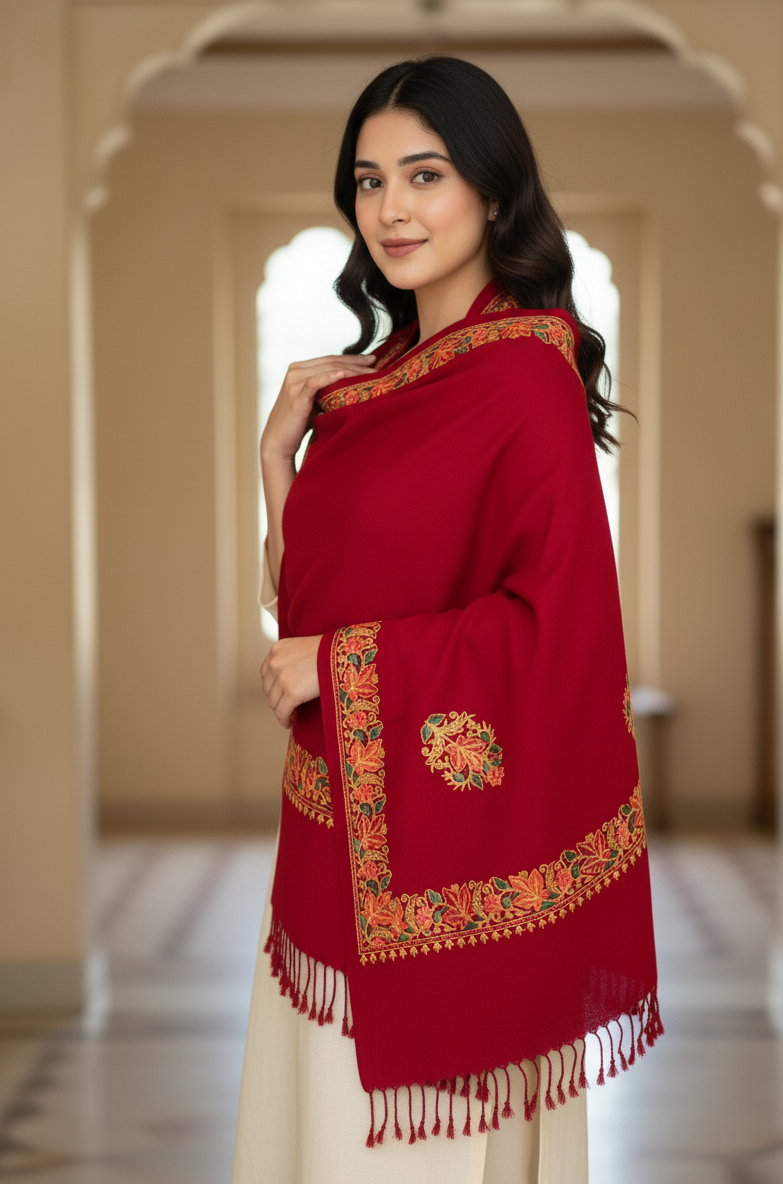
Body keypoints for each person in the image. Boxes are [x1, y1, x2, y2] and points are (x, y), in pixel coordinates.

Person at [231, 56, 661, 1184]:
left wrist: (339, 660)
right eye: (369, 181)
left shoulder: (525, 379)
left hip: (449, 871)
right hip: (336, 851)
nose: (393, 208)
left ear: (494, 190)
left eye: (426, 173)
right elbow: (307, 604)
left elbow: (557, 631)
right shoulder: (373, 386)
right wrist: (277, 459)